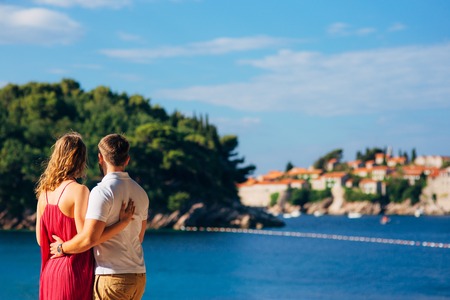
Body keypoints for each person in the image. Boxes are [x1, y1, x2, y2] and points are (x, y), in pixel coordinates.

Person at [35, 132, 134, 300]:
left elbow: (40, 239)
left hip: (50, 271)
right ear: (80, 160)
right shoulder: (79, 191)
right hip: (73, 270)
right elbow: (87, 239)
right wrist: (122, 223)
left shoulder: (43, 193)